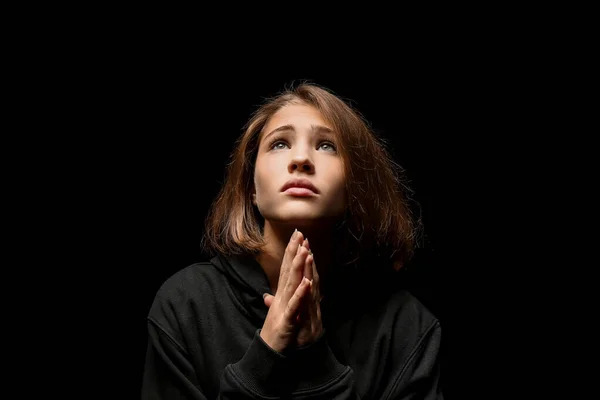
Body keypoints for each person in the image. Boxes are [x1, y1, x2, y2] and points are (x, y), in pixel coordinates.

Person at [141, 82, 443, 399]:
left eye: (327, 146)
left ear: (355, 187)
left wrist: (317, 361)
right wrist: (265, 355)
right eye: (279, 144)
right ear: (251, 190)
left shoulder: (406, 326)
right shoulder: (185, 305)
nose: (301, 158)